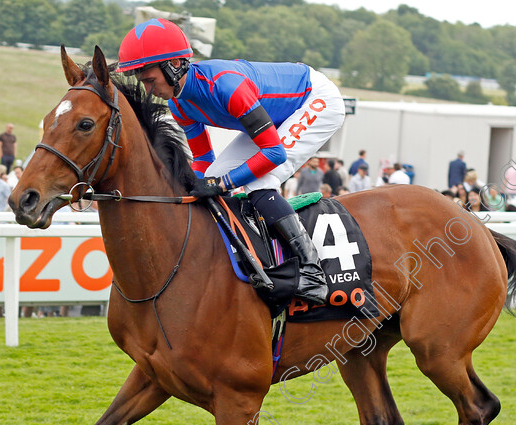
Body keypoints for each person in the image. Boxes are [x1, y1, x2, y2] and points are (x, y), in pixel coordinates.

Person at [118, 18, 346, 304]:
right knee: (213, 178)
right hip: (272, 115)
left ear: (174, 65)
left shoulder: (226, 86)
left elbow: (275, 154)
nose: (149, 90)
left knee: (261, 179)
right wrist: (191, 187)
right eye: (143, 82)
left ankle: (313, 273)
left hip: (315, 99)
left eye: (150, 80)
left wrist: (221, 183)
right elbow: (203, 160)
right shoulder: (178, 104)